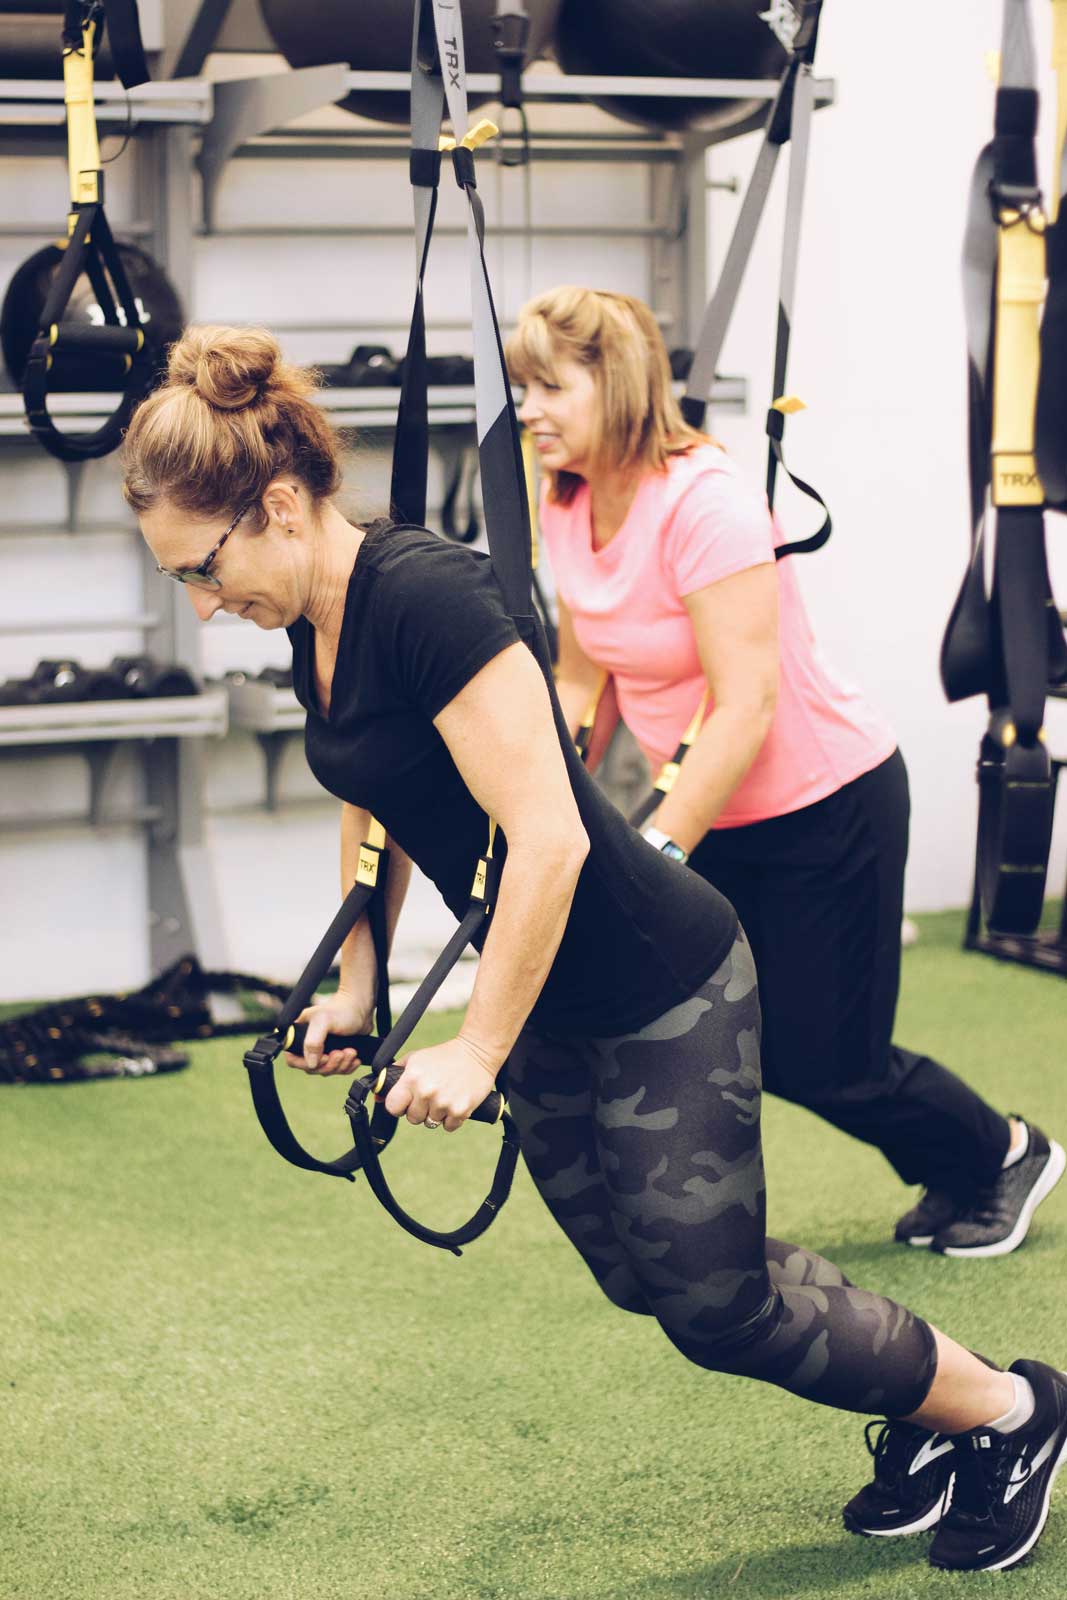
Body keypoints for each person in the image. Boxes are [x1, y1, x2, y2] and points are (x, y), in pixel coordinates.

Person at [122, 324, 1067, 1575]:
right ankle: (929, 1411)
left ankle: (1009, 1412)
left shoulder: (425, 597)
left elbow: (551, 841)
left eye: (202, 568)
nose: (202, 602)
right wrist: (360, 978)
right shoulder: (314, 617)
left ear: (280, 505)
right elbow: (376, 785)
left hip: (657, 984)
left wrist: (475, 1045)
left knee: (713, 1303)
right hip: (551, 996)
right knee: (654, 1277)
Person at [507, 285, 1064, 1262]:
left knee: (824, 1061)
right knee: (700, 1021)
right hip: (719, 808)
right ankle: (697, 1218)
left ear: (619, 381)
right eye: (522, 387)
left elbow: (746, 705)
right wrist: (538, 790)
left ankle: (1001, 1152)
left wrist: (656, 846)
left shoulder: (708, 503)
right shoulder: (564, 499)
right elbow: (583, 672)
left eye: (549, 385)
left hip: (823, 805)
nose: (529, 410)